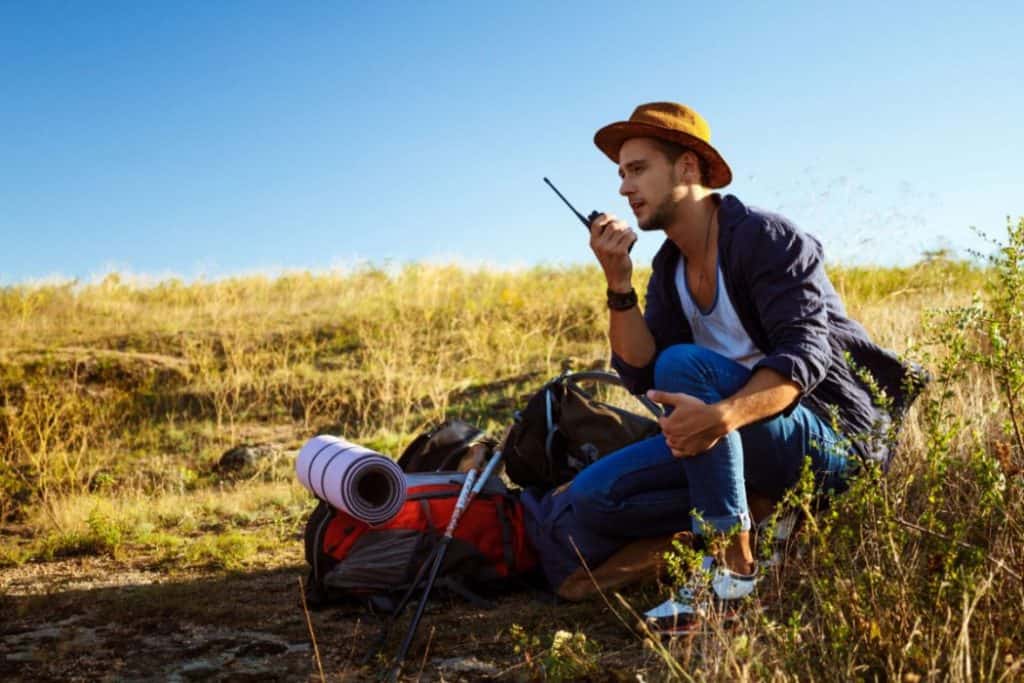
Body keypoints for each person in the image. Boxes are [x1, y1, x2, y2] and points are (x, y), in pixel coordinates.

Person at [569, 101, 923, 623]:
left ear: (687, 167)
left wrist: (719, 419)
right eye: (621, 173)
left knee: (685, 367)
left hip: (834, 441)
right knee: (593, 496)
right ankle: (755, 511)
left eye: (638, 169)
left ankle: (735, 572)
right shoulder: (669, 269)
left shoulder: (767, 238)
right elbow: (640, 373)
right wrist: (619, 283)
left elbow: (806, 358)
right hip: (740, 439)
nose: (623, 188)